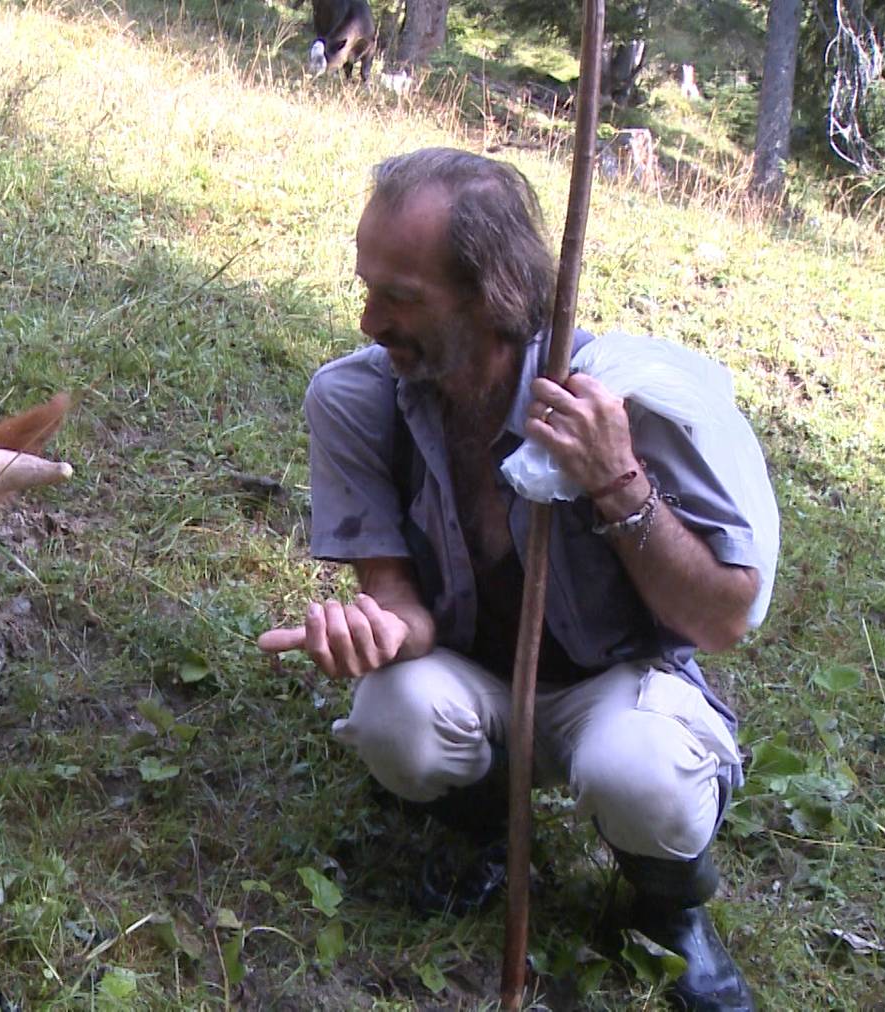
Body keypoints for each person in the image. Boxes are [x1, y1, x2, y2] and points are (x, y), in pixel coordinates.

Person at [260, 147, 767, 1012]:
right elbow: (399, 599)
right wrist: (383, 630)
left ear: (492, 298)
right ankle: (484, 830)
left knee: (642, 776)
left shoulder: (617, 406)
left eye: (402, 297)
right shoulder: (355, 400)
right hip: (476, 673)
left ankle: (668, 913)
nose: (367, 320)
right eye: (367, 284)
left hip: (617, 682)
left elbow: (721, 618)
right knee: (395, 717)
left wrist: (617, 483)